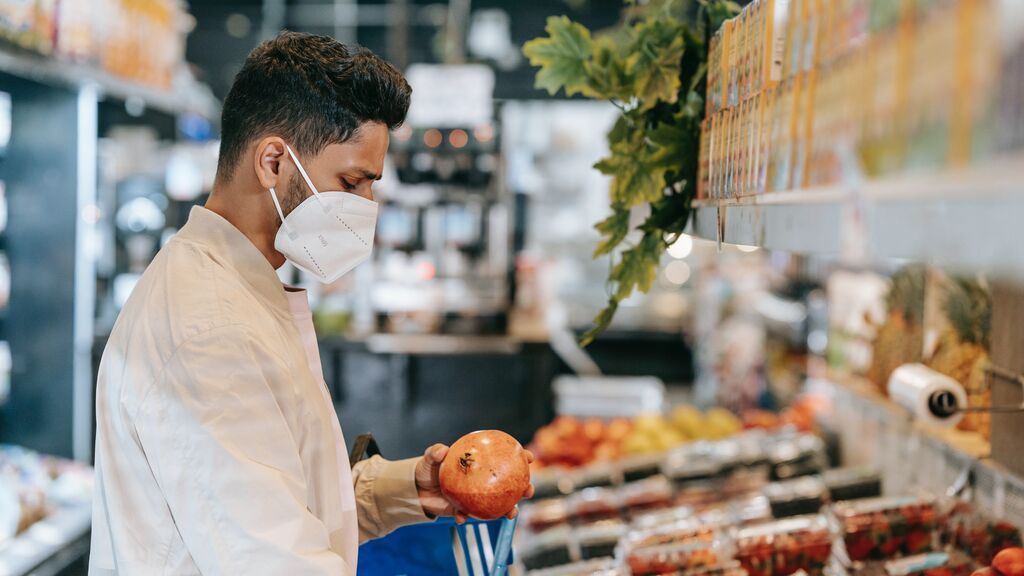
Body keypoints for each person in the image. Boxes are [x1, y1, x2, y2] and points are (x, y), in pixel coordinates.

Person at [90, 31, 533, 575]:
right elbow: (275, 560)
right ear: (273, 162)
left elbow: (280, 497)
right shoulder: (208, 329)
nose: (366, 208)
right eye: (352, 182)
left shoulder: (241, 287)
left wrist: (405, 488)